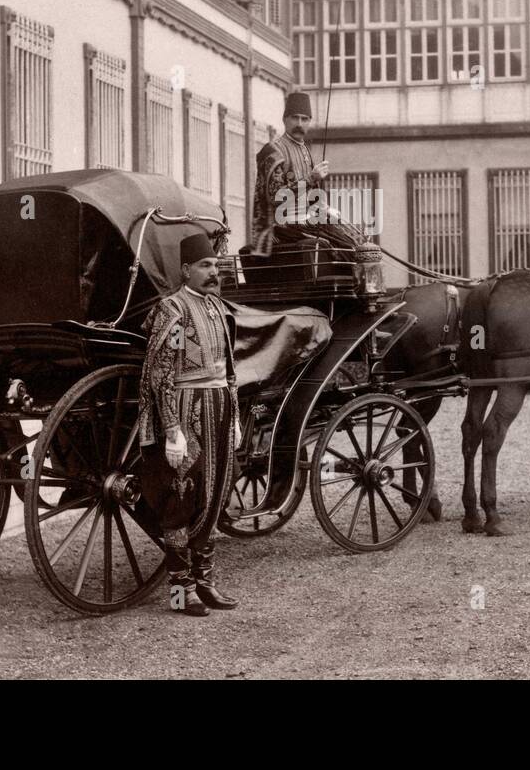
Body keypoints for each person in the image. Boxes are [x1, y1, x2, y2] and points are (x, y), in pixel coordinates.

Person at [135, 232, 241, 616]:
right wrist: (172, 429)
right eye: (204, 266)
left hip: (219, 407)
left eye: (214, 265)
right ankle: (181, 591)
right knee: (182, 498)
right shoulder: (174, 311)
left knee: (213, 498)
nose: (213, 272)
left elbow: (229, 368)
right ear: (185, 271)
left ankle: (206, 582)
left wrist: (236, 419)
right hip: (186, 407)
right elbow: (161, 374)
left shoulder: (216, 308)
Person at [250, 90, 364, 257]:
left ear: (309, 122)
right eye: (295, 118)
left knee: (357, 241)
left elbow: (311, 195)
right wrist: (311, 178)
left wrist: (326, 209)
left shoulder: (304, 149)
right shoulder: (273, 150)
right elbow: (275, 197)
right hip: (282, 226)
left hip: (307, 221)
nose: (300, 123)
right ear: (284, 119)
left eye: (305, 119)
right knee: (343, 247)